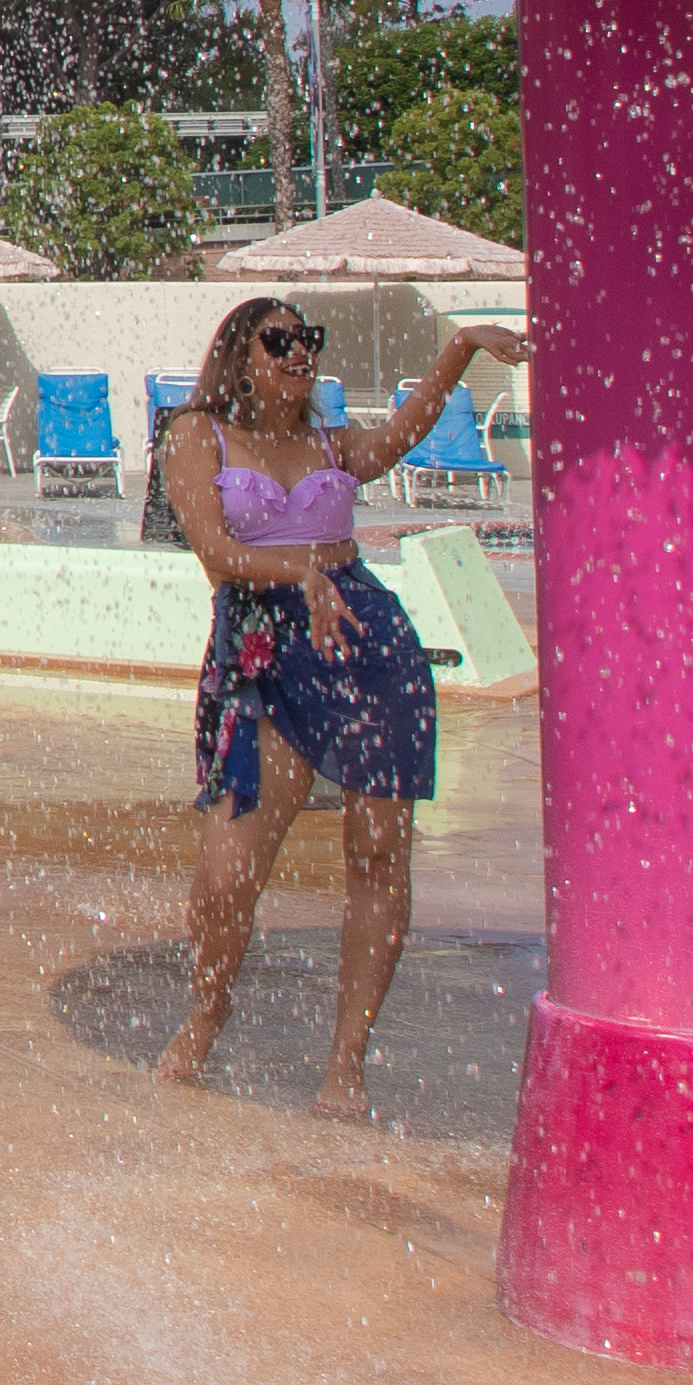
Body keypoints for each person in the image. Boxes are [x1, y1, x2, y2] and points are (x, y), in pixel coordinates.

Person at [150, 292, 531, 1124]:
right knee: (226, 876)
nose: (297, 354)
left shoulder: (329, 441)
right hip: (264, 650)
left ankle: (345, 1061)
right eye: (277, 340)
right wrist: (299, 573)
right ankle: (208, 1010)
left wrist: (461, 346)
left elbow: (404, 434)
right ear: (239, 355)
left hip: (364, 640)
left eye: (306, 340)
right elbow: (215, 548)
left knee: (378, 856)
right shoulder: (196, 436)